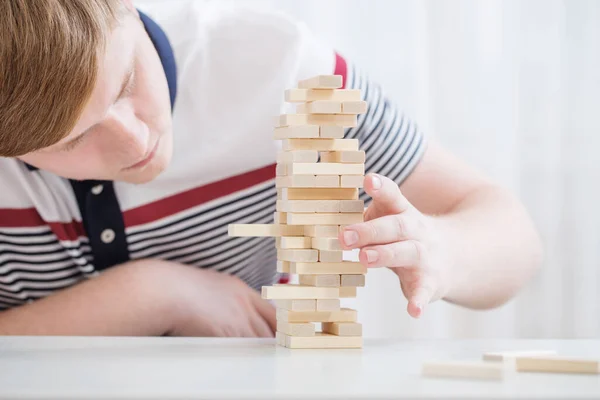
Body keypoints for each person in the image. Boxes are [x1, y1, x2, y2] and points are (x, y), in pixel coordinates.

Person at [0, 0, 542, 337]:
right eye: (74, 138)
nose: (136, 139)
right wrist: (153, 296)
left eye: (125, 83)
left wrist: (440, 248)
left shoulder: (276, 67)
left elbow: (512, 235)